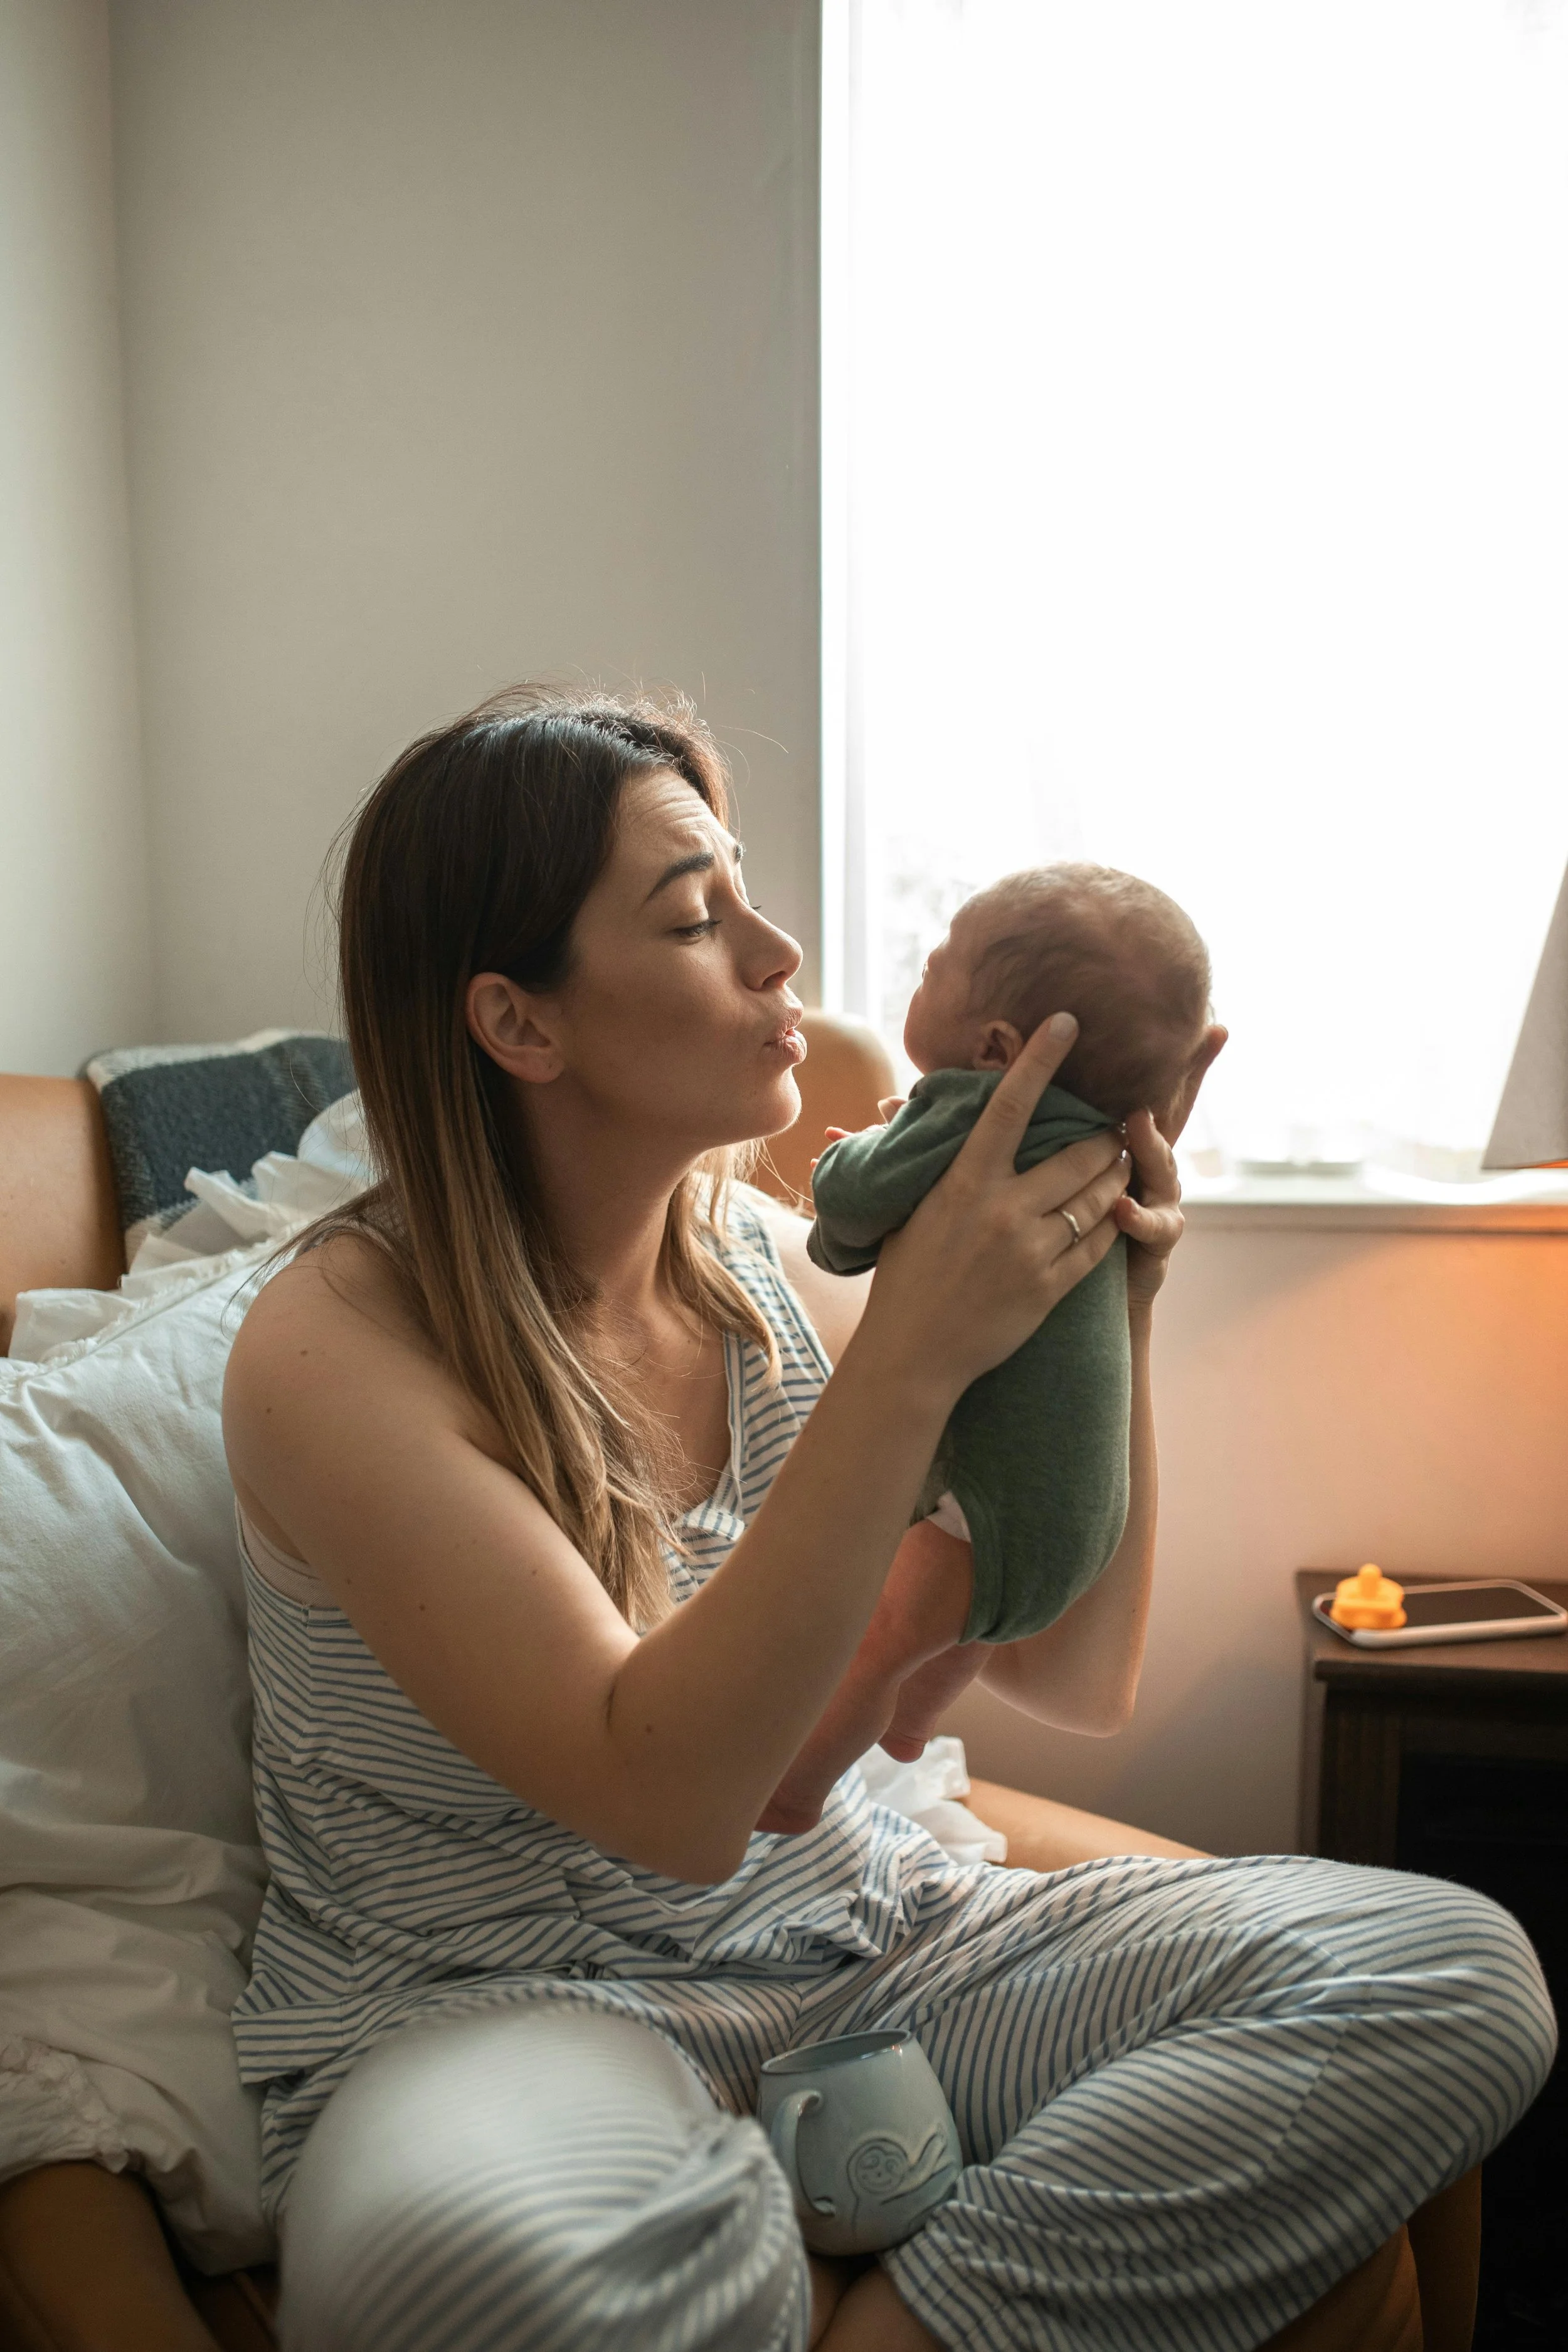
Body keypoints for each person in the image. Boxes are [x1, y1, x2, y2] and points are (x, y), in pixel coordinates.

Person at [223, 687, 1554, 2352]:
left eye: (747, 891)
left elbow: (1068, 1670)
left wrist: (1111, 1296)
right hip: (510, 2009)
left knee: (1454, 1967)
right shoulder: (336, 1346)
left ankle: (918, 2317)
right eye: (696, 917)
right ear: (519, 1020)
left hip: (877, 1949)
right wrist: (916, 1350)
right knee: (497, 2275)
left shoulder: (774, 1267)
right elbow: (672, 1800)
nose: (778, 952)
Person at [760, 864, 1216, 1833]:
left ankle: (807, 1786)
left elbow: (1085, 1691)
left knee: (898, 1631)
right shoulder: (1068, 1146)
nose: (779, 950)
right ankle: (898, 1737)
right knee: (938, 1628)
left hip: (986, 1536)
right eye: (689, 919)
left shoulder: (969, 1132)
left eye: (933, 966)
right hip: (1078, 1519)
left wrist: (1133, 1296)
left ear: (999, 1047)